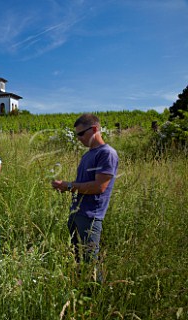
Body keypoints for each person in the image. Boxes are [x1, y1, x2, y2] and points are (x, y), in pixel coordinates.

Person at [51, 114, 118, 282]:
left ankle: (97, 299)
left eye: (81, 134)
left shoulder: (107, 154)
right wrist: (66, 186)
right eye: (76, 135)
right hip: (77, 213)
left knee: (90, 263)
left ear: (94, 129)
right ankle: (82, 296)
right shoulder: (87, 155)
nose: (78, 138)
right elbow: (83, 184)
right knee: (78, 260)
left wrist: (68, 186)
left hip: (90, 217)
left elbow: (99, 187)